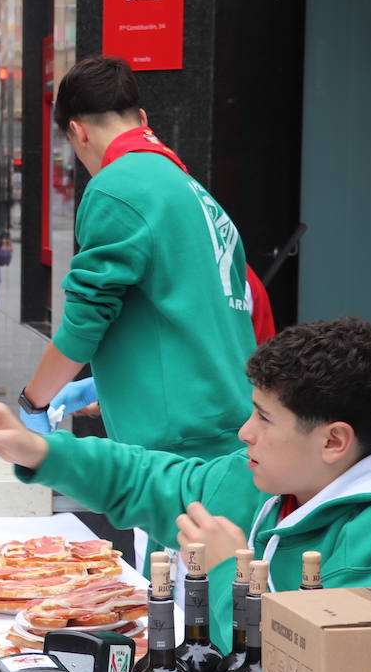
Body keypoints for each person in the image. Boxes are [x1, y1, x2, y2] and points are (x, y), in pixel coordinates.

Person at [0, 317, 371, 652]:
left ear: (334, 442)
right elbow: (151, 480)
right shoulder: (268, 479)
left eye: (265, 419)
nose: (245, 434)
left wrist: (226, 575)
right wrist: (38, 449)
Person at [18, 56, 255, 462]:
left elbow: (84, 323)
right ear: (142, 117)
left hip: (181, 436)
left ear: (77, 132)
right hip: (233, 416)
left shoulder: (115, 188)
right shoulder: (193, 191)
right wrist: (106, 384)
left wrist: (33, 401)